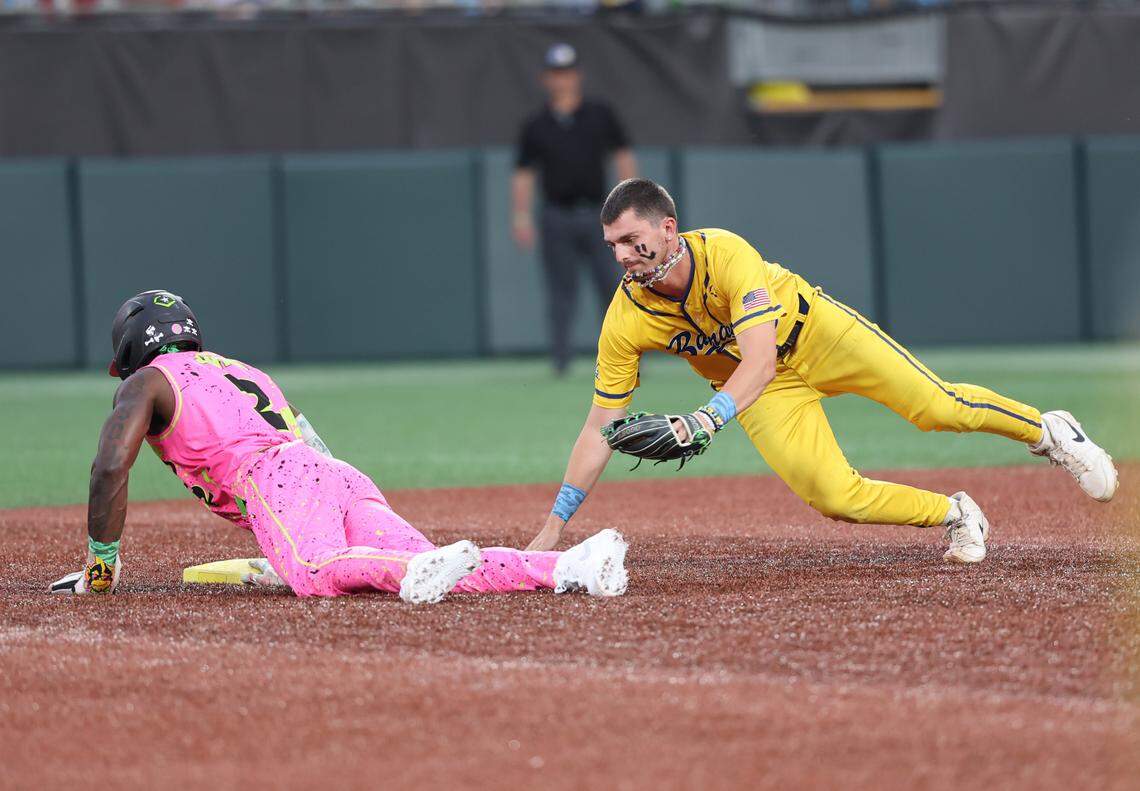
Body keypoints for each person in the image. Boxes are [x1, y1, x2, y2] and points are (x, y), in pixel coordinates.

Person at [526, 178, 1118, 563]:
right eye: (611, 246)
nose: (622, 256)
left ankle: (1050, 432)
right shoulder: (625, 318)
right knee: (834, 496)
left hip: (817, 336)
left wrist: (704, 422)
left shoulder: (726, 253)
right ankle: (955, 512)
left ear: (667, 229)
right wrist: (556, 523)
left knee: (939, 409)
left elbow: (757, 359)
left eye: (631, 240)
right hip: (766, 392)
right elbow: (599, 426)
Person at [50, 290, 628, 600]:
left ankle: (415, 568)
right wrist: (317, 501)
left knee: (314, 572)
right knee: (451, 572)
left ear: (126, 352)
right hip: (331, 473)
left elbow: (108, 468)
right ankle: (567, 568)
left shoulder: (146, 382)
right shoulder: (236, 367)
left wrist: (102, 566)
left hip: (273, 479)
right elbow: (306, 438)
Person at [513, 42, 638, 375]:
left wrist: (630, 205)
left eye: (567, 73)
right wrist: (521, 215)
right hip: (556, 215)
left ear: (577, 76)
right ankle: (561, 362)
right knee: (560, 292)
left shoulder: (600, 114)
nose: (562, 81)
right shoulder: (536, 124)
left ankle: (623, 360)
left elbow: (623, 156)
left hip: (601, 216)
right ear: (545, 79)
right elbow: (524, 173)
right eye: (556, 74)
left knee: (614, 291)